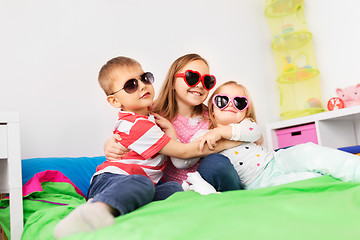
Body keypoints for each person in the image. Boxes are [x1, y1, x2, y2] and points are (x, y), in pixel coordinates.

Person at [53, 57, 242, 239]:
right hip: (114, 180)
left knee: (173, 190)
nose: (142, 85)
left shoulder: (151, 113)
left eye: (144, 78)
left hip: (156, 182)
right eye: (130, 85)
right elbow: (182, 152)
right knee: (142, 184)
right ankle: (95, 211)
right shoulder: (146, 121)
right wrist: (109, 143)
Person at [179, 81, 360, 194]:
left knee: (309, 150)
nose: (230, 106)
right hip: (258, 181)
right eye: (222, 100)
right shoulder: (202, 135)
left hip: (276, 160)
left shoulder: (246, 125)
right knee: (308, 179)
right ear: (211, 108)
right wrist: (173, 137)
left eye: (239, 102)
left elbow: (254, 132)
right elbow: (182, 161)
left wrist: (219, 133)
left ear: (245, 111)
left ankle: (355, 170)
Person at [104, 53, 244, 191]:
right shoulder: (153, 112)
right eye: (192, 77)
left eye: (207, 80)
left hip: (210, 182)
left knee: (216, 163)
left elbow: (251, 133)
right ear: (172, 82)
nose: (200, 85)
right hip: (176, 188)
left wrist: (230, 135)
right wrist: (110, 143)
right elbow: (129, 126)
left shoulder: (214, 115)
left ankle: (236, 197)